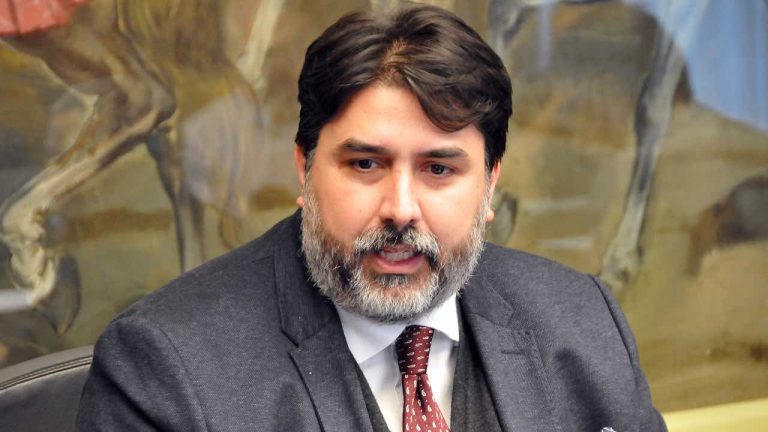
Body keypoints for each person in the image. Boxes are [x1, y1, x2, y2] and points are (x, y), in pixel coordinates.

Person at [76, 4, 667, 431]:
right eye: (365, 164)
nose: (400, 209)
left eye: (439, 169)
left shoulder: (584, 321)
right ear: (304, 170)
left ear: (490, 185)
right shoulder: (165, 370)